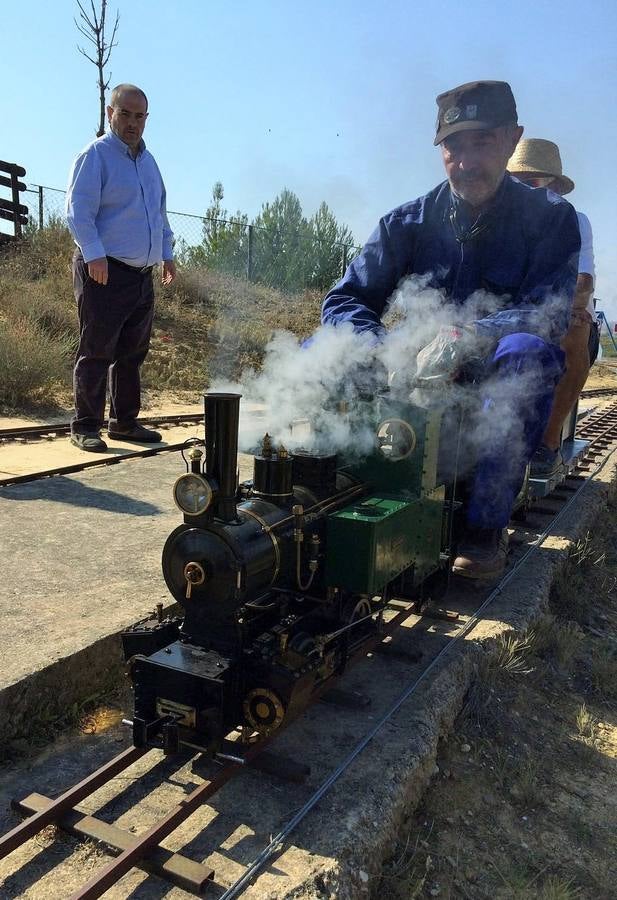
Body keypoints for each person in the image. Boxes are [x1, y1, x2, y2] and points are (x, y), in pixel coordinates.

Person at [321, 81, 580, 579]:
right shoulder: (406, 221)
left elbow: (548, 312)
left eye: (481, 142)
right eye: (453, 147)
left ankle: (484, 528)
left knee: (525, 353)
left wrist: (469, 334)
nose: (466, 161)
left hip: (491, 371)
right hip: (415, 372)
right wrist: (377, 350)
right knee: (327, 348)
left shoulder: (552, 219)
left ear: (511, 139)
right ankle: (337, 489)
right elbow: (345, 298)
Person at [65, 83, 176, 452]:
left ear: (147, 119)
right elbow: (78, 210)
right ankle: (85, 427)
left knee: (132, 353)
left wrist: (166, 253)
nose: (132, 122)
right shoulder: (95, 155)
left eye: (139, 116)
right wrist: (94, 254)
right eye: (125, 114)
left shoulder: (149, 162)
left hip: (141, 276)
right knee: (96, 350)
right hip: (104, 270)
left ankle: (124, 423)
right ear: (111, 113)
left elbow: (159, 212)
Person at [507, 138, 598, 475]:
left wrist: (544, 311)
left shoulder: (574, 221)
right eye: (515, 182)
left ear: (554, 186)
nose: (523, 191)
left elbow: (583, 282)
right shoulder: (494, 222)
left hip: (557, 317)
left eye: (531, 183)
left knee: (574, 330)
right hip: (509, 316)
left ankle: (547, 442)